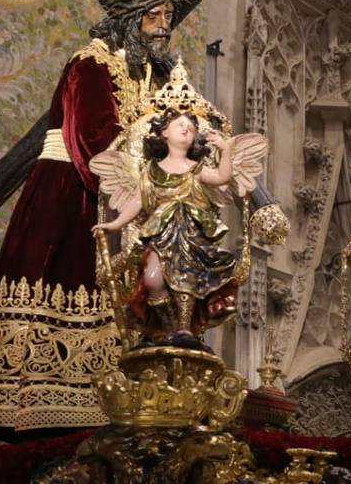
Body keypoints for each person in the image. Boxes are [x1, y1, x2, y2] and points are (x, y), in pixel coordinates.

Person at [0, 0, 218, 438]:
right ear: (132, 16)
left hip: (120, 194)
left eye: (169, 15)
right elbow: (89, 140)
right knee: (61, 285)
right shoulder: (90, 64)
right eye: (155, 16)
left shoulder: (148, 73)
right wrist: (149, 180)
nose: (164, 26)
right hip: (70, 196)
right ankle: (31, 407)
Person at [91, 107, 266, 346]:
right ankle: (166, 328)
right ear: (163, 132)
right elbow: (137, 201)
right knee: (153, 280)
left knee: (187, 278)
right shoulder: (150, 171)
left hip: (191, 235)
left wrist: (225, 150)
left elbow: (222, 177)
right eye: (179, 125)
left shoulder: (196, 169)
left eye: (191, 128)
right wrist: (115, 224)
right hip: (161, 235)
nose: (186, 130)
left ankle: (183, 329)